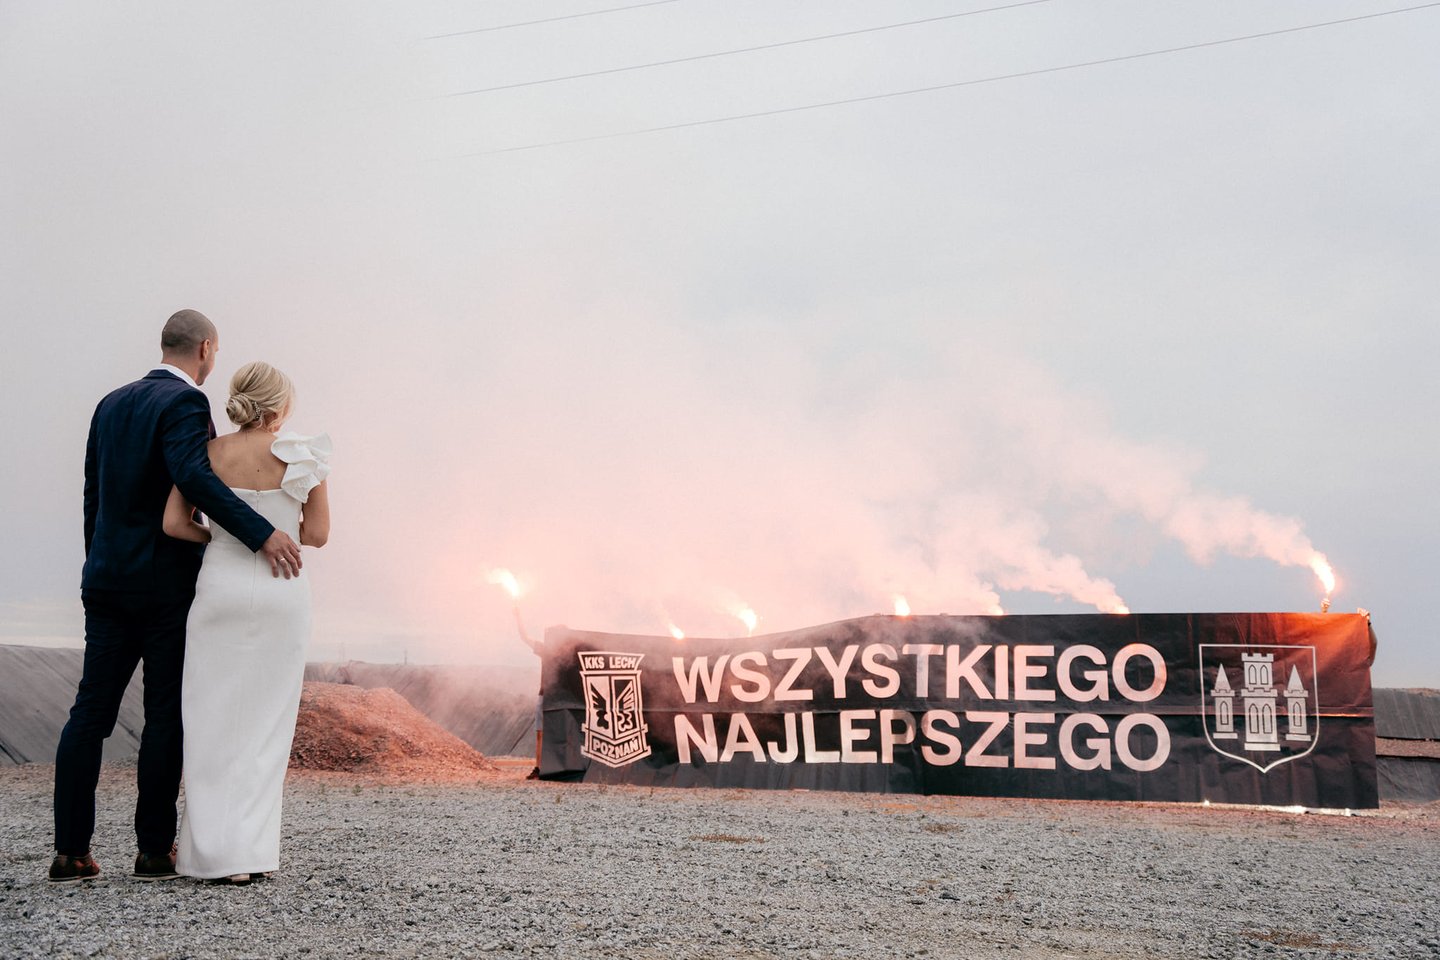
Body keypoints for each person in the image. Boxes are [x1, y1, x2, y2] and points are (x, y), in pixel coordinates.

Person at [51, 310, 302, 884]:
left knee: (89, 713)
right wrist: (261, 533)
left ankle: (70, 851)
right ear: (207, 349)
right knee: (164, 715)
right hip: (164, 587)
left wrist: (97, 561)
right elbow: (194, 477)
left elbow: (95, 492)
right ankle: (153, 850)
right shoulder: (187, 405)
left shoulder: (110, 403)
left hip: (107, 579)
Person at [162, 361, 330, 885]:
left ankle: (207, 857)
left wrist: (223, 542)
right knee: (265, 728)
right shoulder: (305, 456)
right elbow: (317, 535)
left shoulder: (207, 454)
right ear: (280, 406)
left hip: (220, 590)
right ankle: (248, 856)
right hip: (282, 593)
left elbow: (173, 523)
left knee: (210, 721)